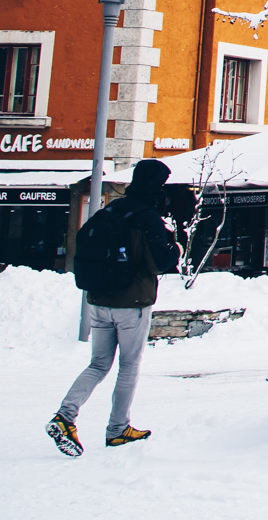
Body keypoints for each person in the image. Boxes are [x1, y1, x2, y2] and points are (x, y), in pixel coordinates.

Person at [47, 159, 181, 455]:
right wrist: (176, 245)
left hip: (98, 299)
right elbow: (161, 262)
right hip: (131, 303)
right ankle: (118, 428)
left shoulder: (109, 210)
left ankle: (65, 415)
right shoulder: (148, 217)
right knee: (129, 366)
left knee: (98, 364)